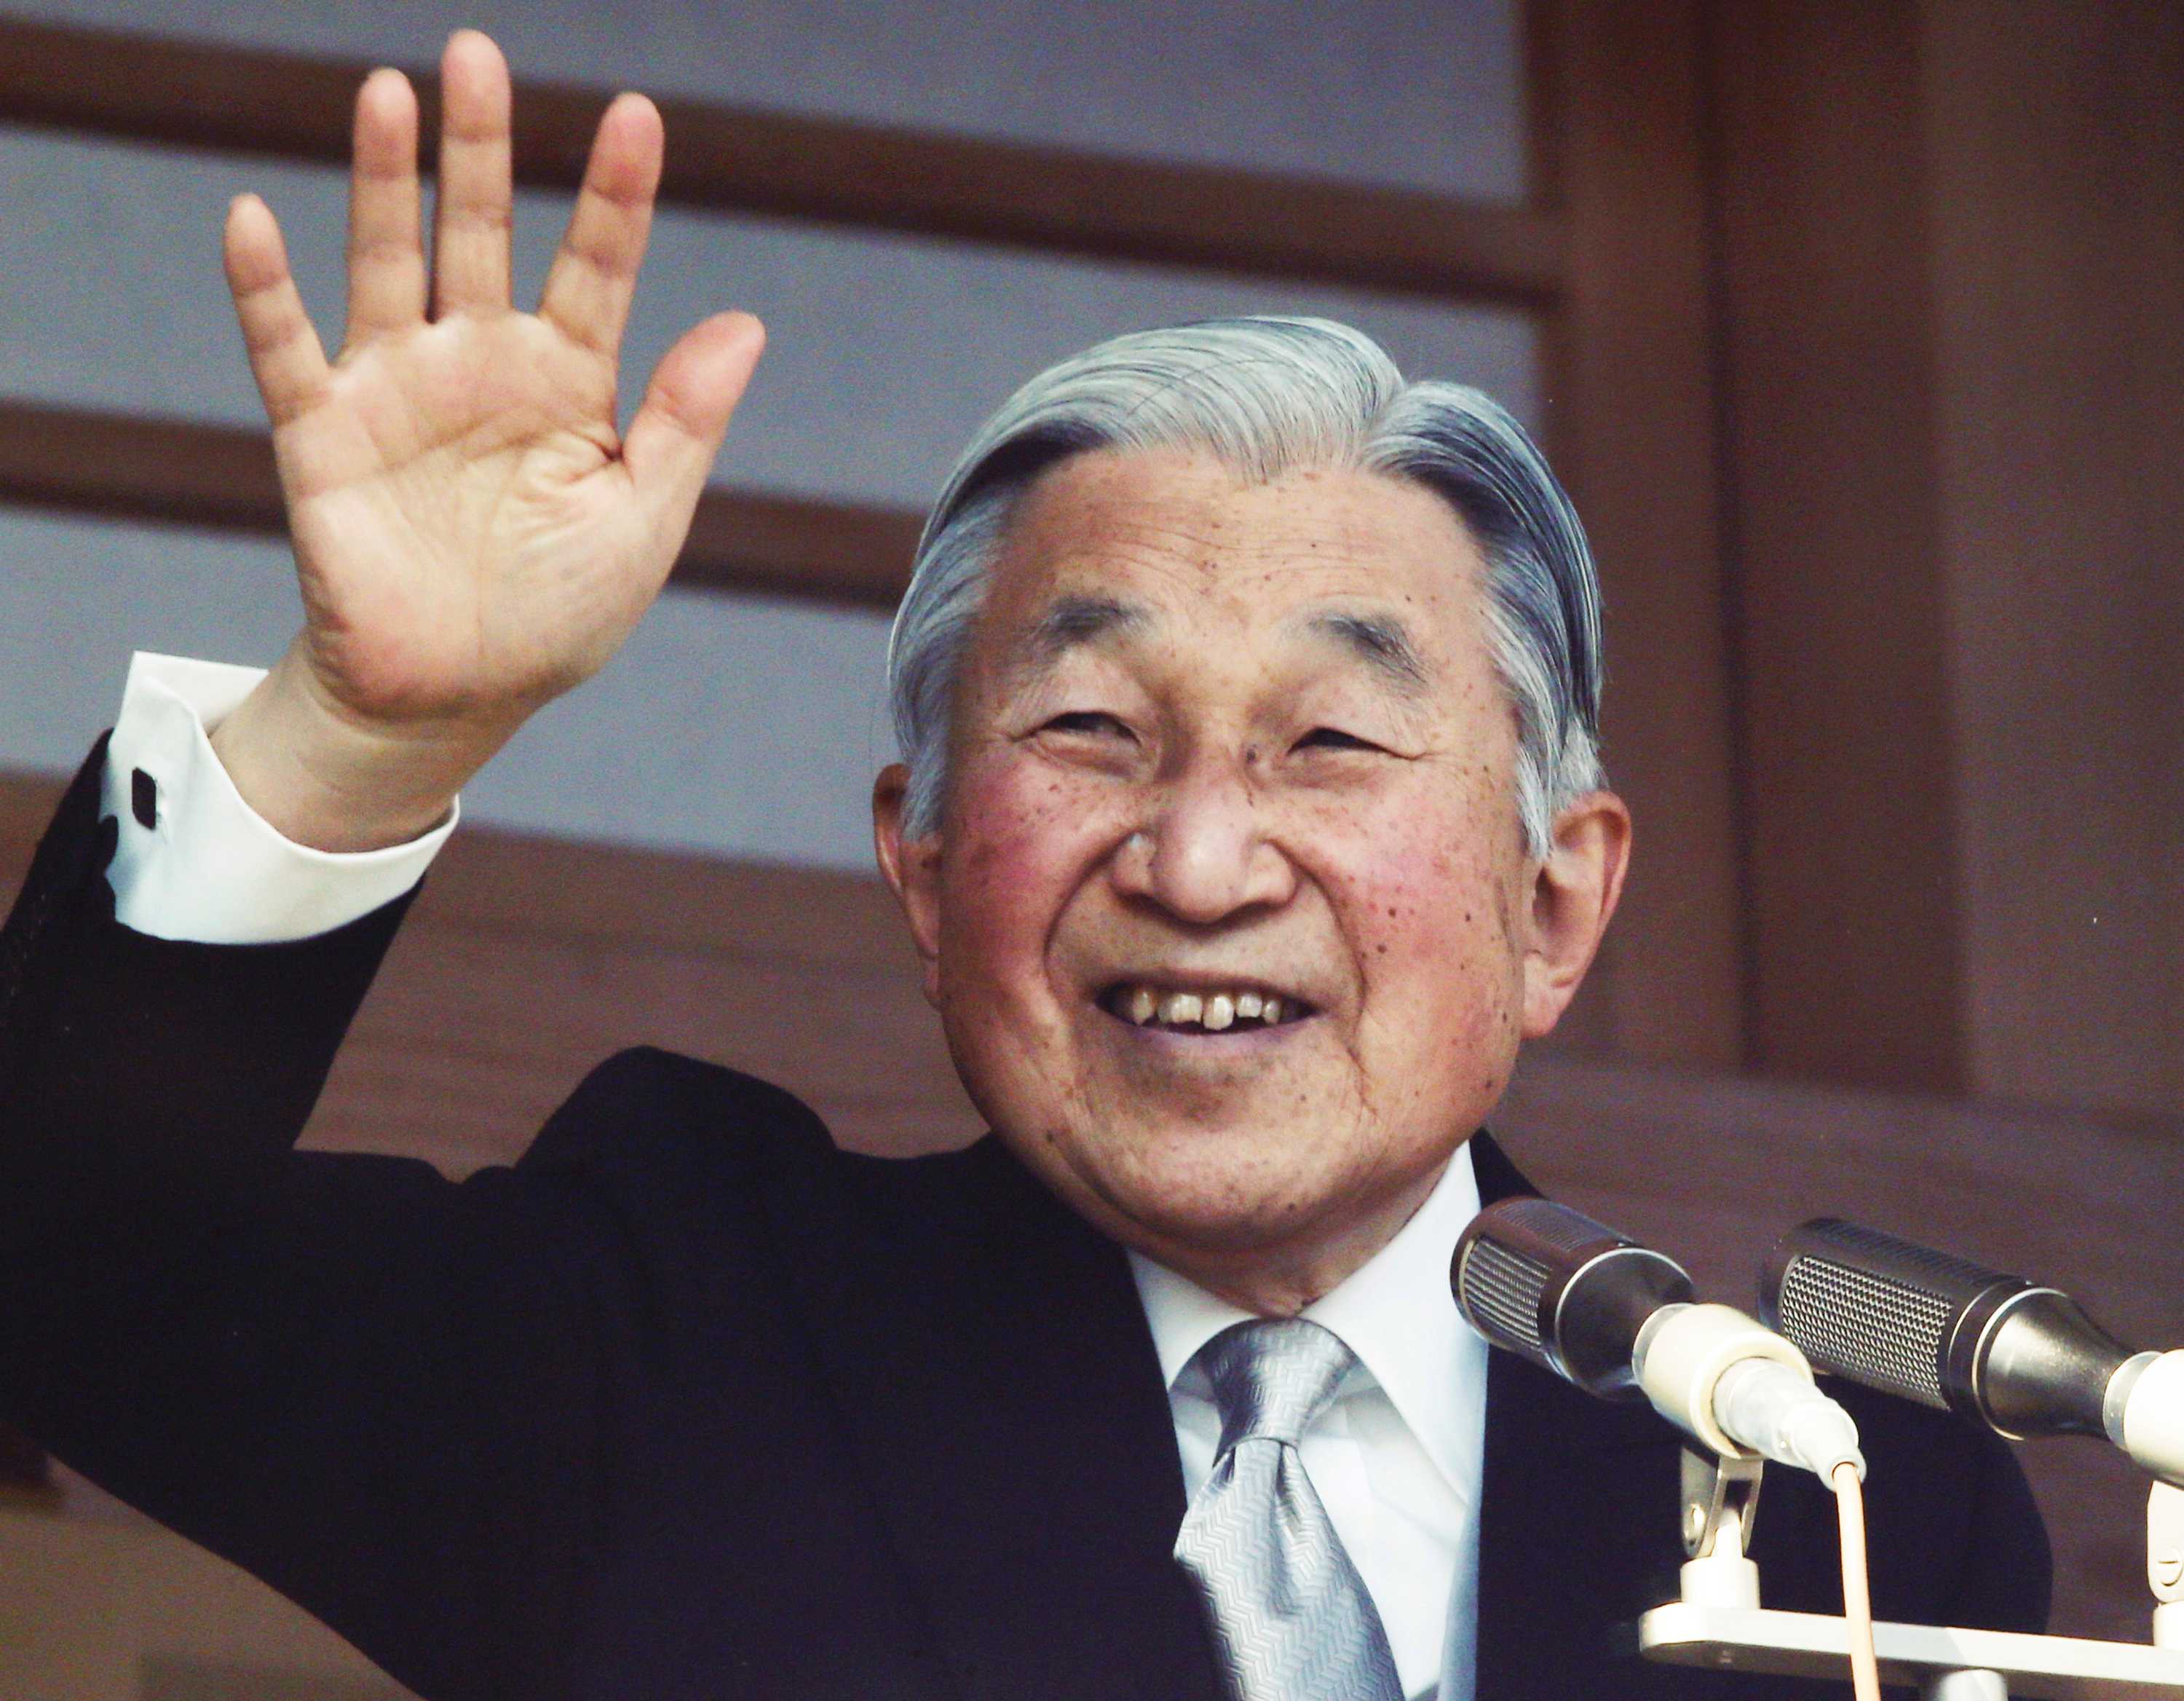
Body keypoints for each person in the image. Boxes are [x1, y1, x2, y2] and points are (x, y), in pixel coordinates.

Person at [0, 30, 2046, 1701]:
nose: (1202, 853)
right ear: (918, 863)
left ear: (1556, 903)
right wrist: (368, 732)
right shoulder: (676, 1332)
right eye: (1090, 732)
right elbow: (66, 1280)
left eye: (1329, 742)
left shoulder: (1833, 1486)